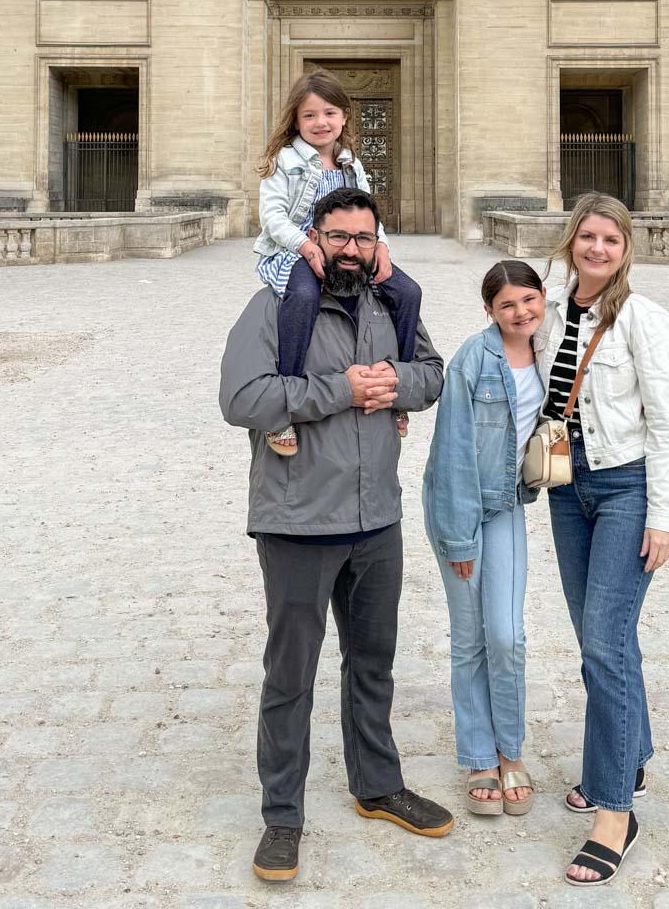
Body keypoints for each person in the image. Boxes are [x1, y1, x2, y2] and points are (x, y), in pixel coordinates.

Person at [221, 187, 452, 883]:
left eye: (363, 237)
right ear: (313, 240)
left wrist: (397, 384)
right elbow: (241, 398)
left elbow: (433, 373)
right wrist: (338, 391)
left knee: (373, 663)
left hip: (376, 515)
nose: (350, 248)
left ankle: (377, 785)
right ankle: (282, 817)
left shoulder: (390, 308)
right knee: (290, 677)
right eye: (338, 236)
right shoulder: (273, 308)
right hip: (298, 522)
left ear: (378, 245)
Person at [533, 193, 669, 886]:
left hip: (626, 490)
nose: (597, 249)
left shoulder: (645, 321)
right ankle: (628, 757)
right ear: (571, 242)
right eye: (587, 237)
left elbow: (666, 425)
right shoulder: (551, 313)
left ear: (626, 250)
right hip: (569, 487)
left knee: (604, 644)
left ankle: (615, 812)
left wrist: (664, 516)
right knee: (604, 637)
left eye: (610, 241)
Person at [423, 260, 546, 818]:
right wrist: (458, 539)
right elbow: (450, 454)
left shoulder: (550, 350)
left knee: (507, 634)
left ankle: (510, 747)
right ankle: (480, 755)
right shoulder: (474, 359)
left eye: (529, 300)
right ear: (490, 311)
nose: (521, 313)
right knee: (471, 637)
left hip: (507, 505)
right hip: (462, 509)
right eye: (507, 305)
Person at [254, 69, 419, 456]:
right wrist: (304, 247)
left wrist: (380, 246)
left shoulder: (351, 164)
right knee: (304, 297)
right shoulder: (283, 160)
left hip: (350, 251)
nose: (320, 123)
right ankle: (284, 406)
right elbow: (273, 217)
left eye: (329, 113)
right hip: (295, 251)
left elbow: (369, 214)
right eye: (309, 115)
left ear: (344, 116)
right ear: (295, 120)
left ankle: (398, 390)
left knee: (408, 292)